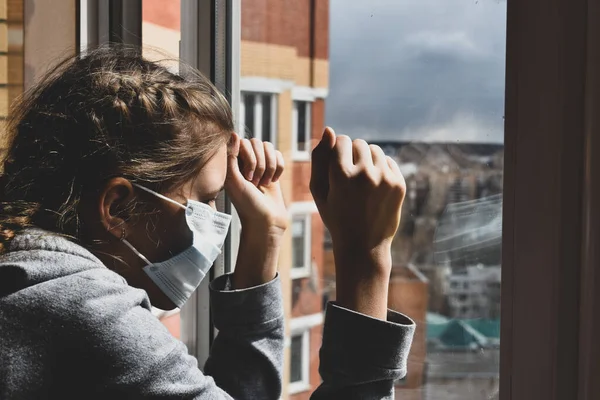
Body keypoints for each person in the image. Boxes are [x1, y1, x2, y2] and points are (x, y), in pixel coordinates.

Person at [0, 47, 415, 400]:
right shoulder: (85, 310)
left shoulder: (32, 279)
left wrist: (264, 238)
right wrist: (366, 259)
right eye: (207, 199)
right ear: (117, 208)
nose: (219, 218)